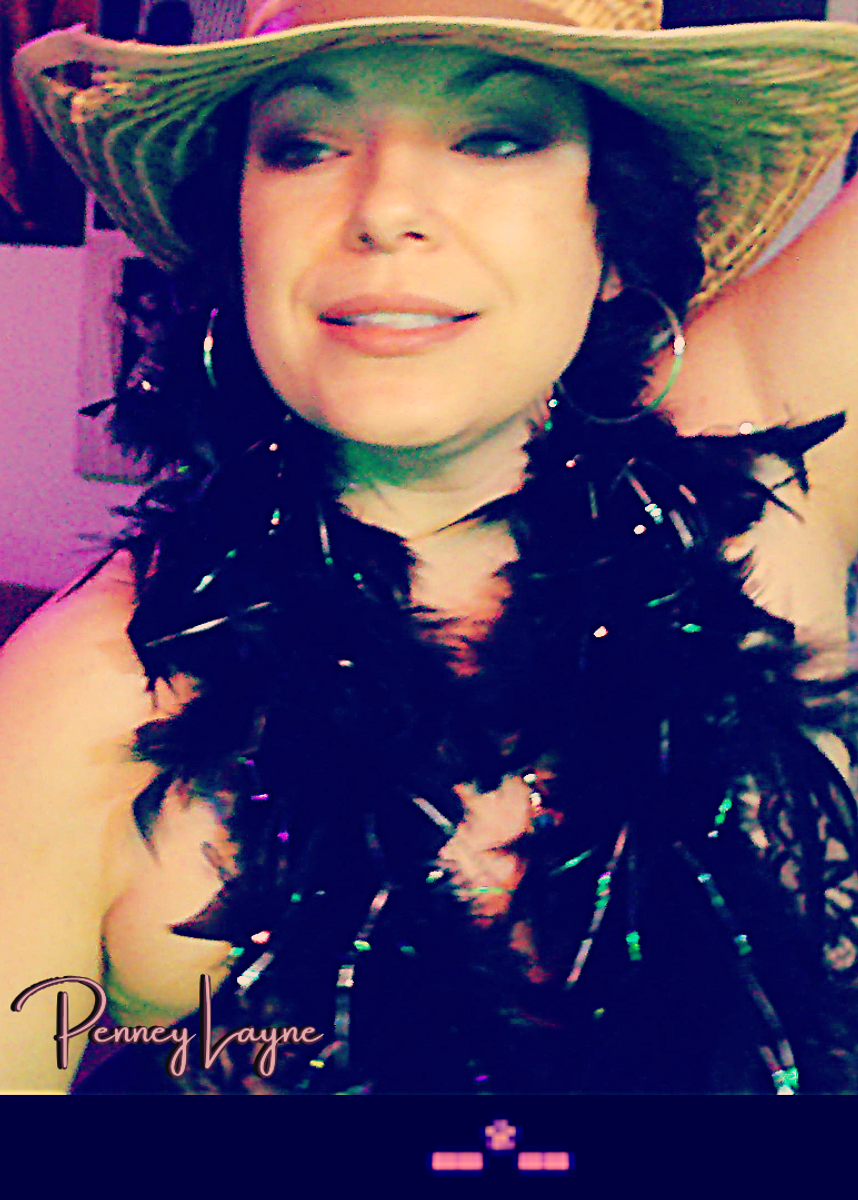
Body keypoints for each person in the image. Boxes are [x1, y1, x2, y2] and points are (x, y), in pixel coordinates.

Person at [1, 0, 857, 1095]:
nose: (384, 209)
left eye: (496, 137)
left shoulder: (758, 476)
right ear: (239, 230)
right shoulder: (76, 706)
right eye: (305, 146)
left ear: (615, 229)